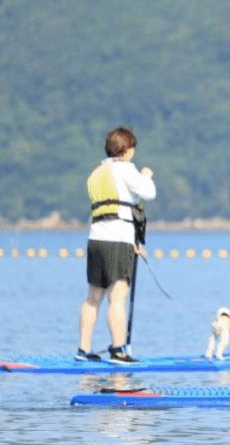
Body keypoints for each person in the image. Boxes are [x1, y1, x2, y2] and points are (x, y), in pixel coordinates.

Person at [77, 126, 156, 364]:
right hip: (117, 239)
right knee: (118, 296)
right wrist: (146, 176)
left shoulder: (97, 172)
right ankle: (118, 350)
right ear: (127, 149)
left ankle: (83, 349)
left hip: (96, 239)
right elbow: (148, 193)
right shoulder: (126, 169)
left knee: (93, 295)